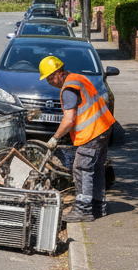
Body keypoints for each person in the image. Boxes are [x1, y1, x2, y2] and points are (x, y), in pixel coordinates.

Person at [39, 55, 116, 223]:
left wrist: (55, 138)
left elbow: (69, 121)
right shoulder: (78, 78)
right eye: (47, 79)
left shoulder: (68, 89)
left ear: (59, 72)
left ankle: (83, 209)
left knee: (81, 168)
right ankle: (98, 205)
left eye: (51, 77)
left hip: (92, 132)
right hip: (104, 126)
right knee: (96, 169)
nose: (51, 82)